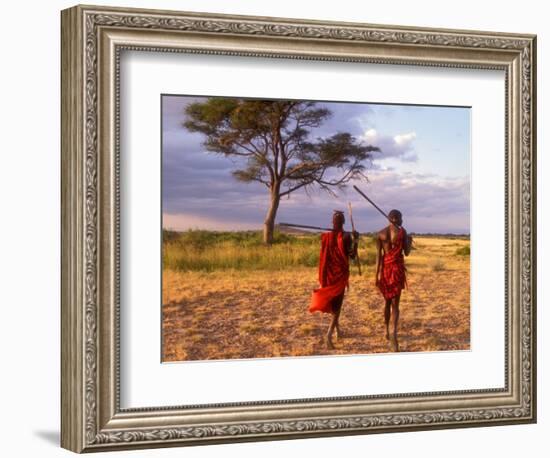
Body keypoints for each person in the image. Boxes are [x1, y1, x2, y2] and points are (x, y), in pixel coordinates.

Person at [309, 210, 358, 349]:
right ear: (343, 222)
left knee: (335, 304)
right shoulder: (346, 236)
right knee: (338, 306)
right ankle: (329, 335)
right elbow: (353, 256)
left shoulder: (326, 237)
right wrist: (357, 241)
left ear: (332, 222)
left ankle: (338, 331)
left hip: (328, 275)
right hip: (340, 276)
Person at [375, 209, 412, 351]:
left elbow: (379, 257)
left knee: (387, 303)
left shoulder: (381, 233)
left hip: (385, 271)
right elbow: (407, 252)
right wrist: (408, 240)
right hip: (396, 270)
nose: (402, 221)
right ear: (395, 218)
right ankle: (394, 336)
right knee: (395, 305)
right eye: (401, 218)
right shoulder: (402, 232)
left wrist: (376, 276)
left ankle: (386, 331)